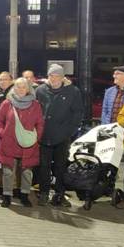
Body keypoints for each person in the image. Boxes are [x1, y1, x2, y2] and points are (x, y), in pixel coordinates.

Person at [35, 64, 83, 207]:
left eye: (57, 76)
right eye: (51, 75)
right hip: (43, 135)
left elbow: (78, 113)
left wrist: (70, 131)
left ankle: (59, 194)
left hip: (62, 137)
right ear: (48, 76)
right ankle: (44, 193)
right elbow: (35, 110)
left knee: (61, 167)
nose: (54, 78)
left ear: (63, 77)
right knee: (43, 166)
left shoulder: (73, 91)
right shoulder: (40, 90)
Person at [0, 78, 44, 208]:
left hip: (28, 143)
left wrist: (36, 137)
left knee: (27, 172)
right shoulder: (7, 103)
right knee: (8, 171)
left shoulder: (35, 105)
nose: (20, 89)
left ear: (28, 89)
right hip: (9, 142)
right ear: (14, 88)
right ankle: (7, 196)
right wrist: (2, 133)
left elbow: (40, 123)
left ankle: (24, 196)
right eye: (17, 87)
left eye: (23, 87)